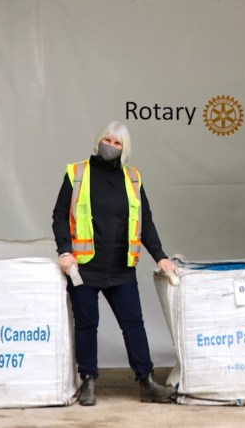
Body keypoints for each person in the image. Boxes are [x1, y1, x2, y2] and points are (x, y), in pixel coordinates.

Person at [52, 120, 178, 407]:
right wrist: (64, 251)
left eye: (118, 143)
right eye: (108, 140)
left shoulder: (133, 178)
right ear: (99, 141)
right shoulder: (77, 173)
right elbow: (60, 215)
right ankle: (89, 382)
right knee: (87, 325)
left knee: (134, 324)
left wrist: (160, 256)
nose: (111, 145)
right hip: (83, 267)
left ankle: (146, 382)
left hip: (121, 268)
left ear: (125, 149)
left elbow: (145, 222)